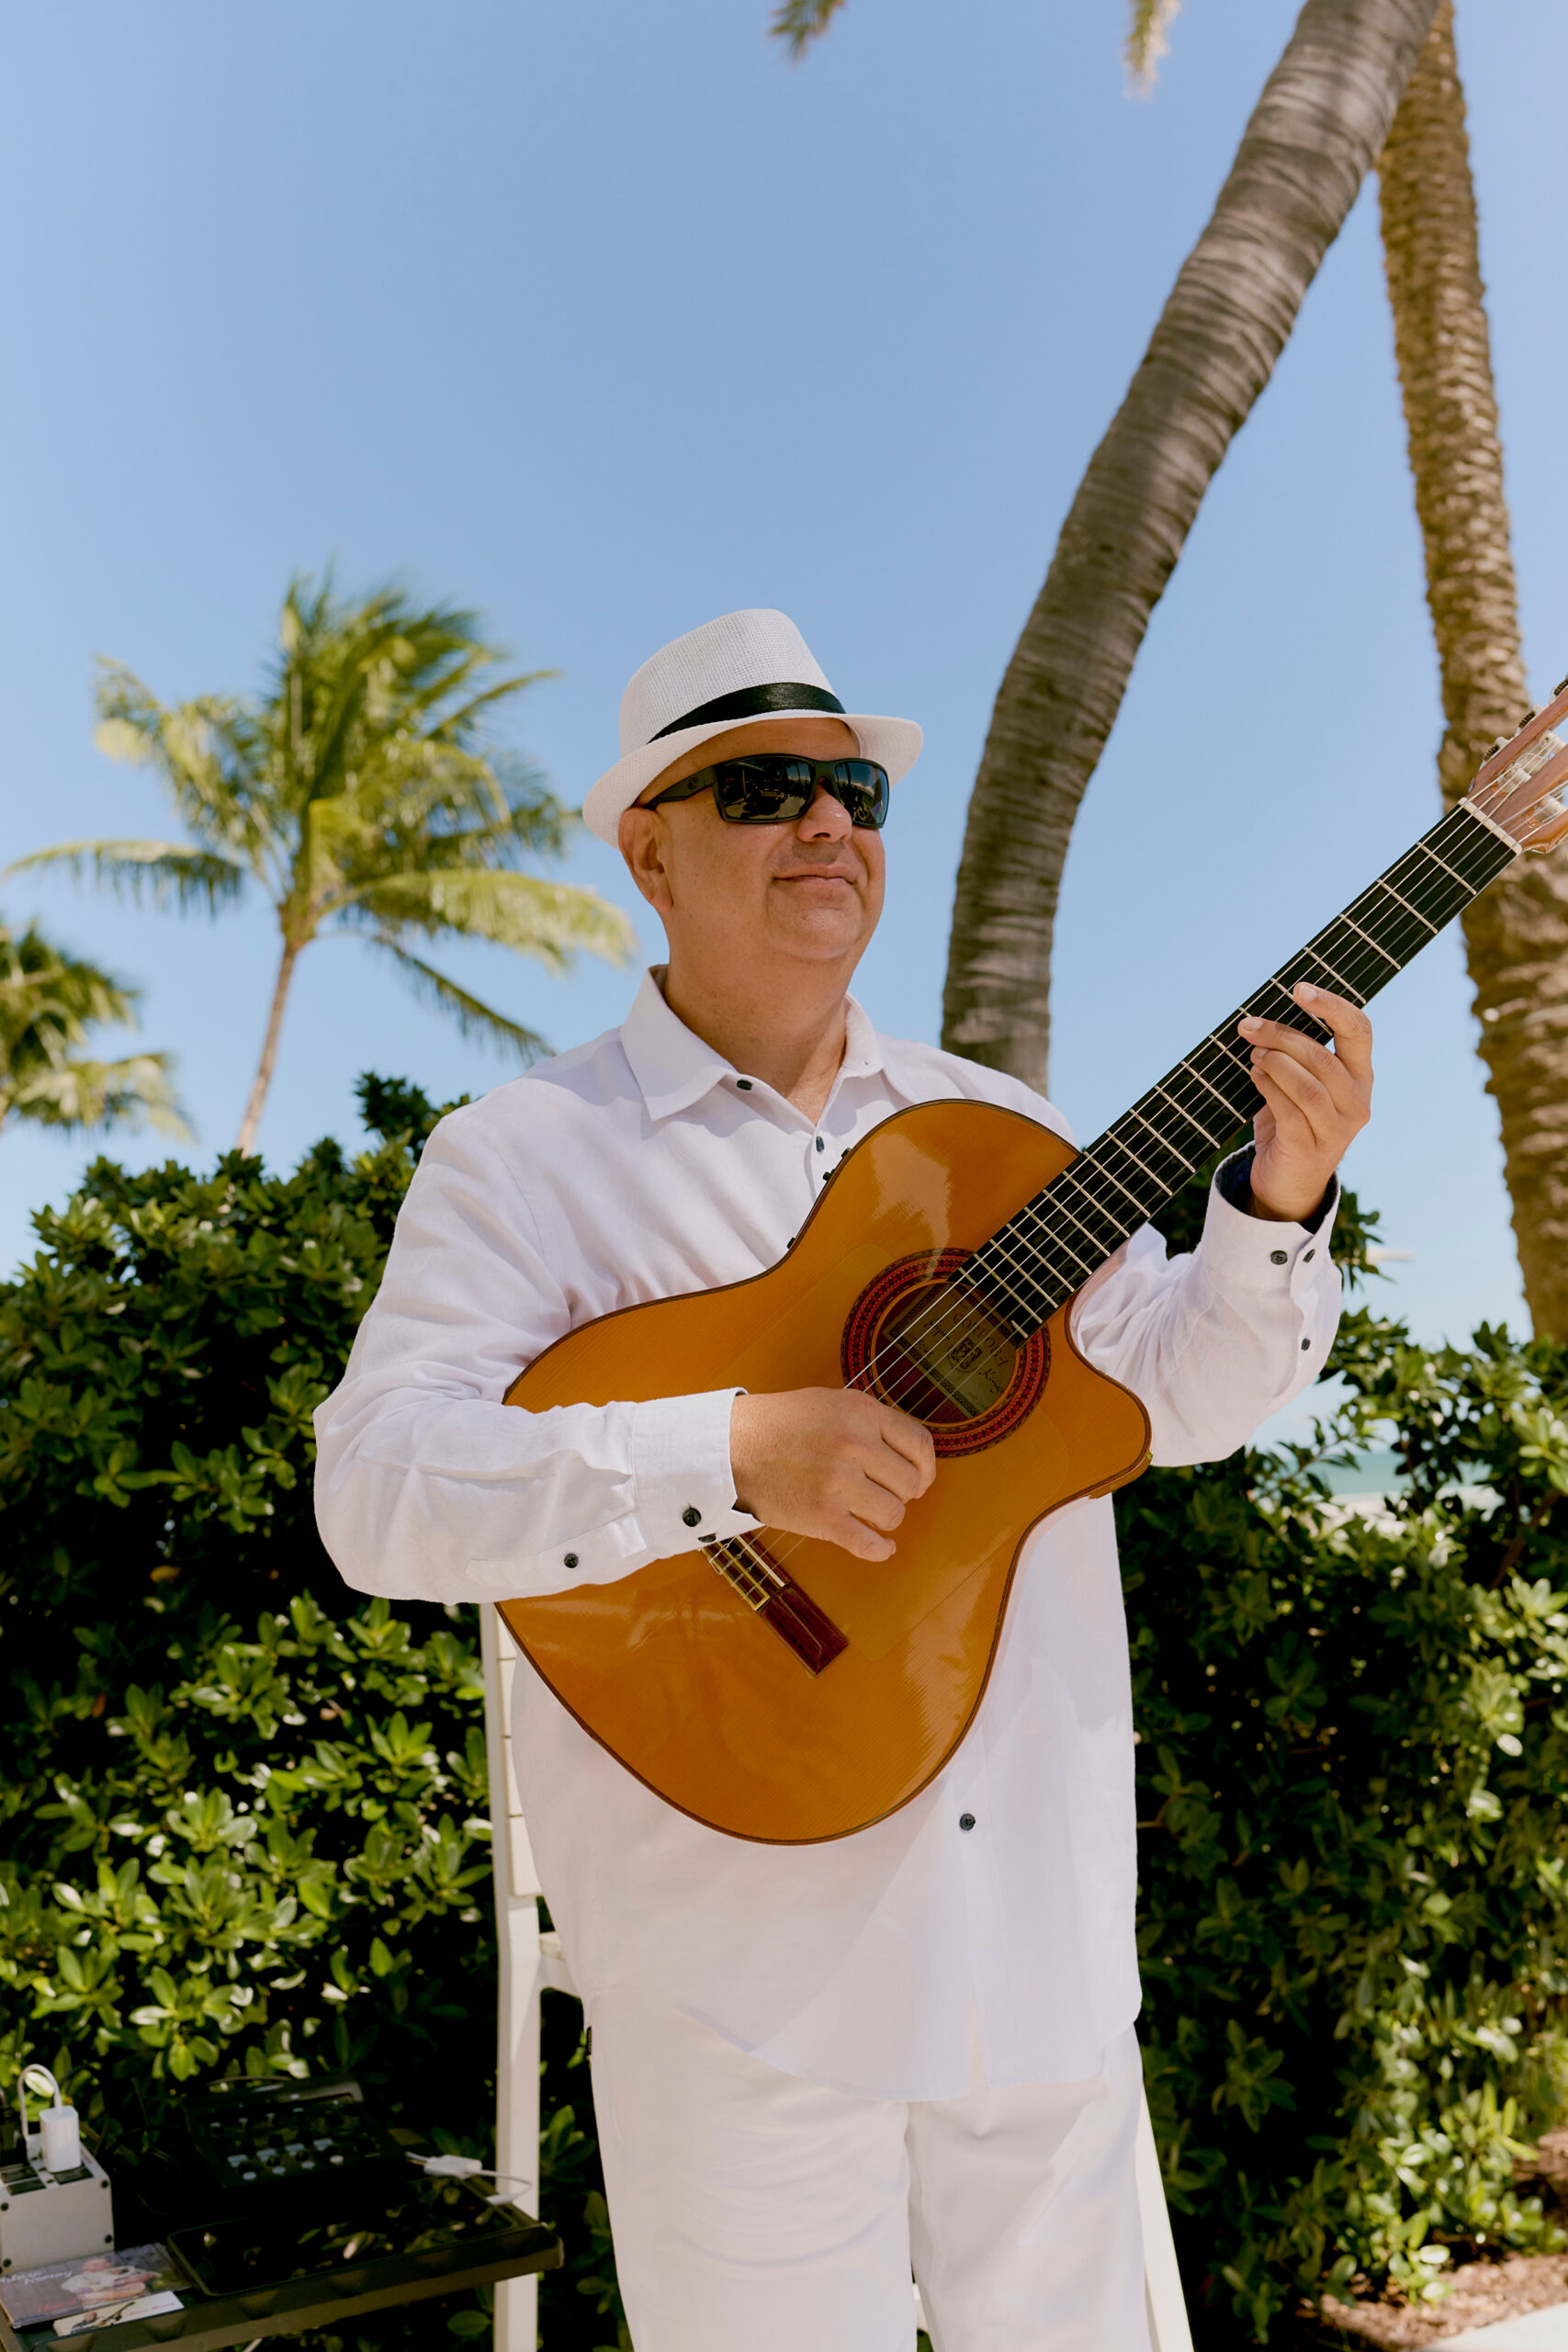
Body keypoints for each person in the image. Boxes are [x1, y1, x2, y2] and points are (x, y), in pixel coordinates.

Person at [313, 608, 1372, 2352]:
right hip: (742, 1992)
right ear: (651, 847)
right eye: (768, 787)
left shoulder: (996, 1132)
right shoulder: (526, 1160)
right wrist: (729, 1454)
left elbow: (1172, 1401)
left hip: (1037, 1953)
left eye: (855, 786)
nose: (832, 822)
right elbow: (381, 1490)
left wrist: (1272, 1213)